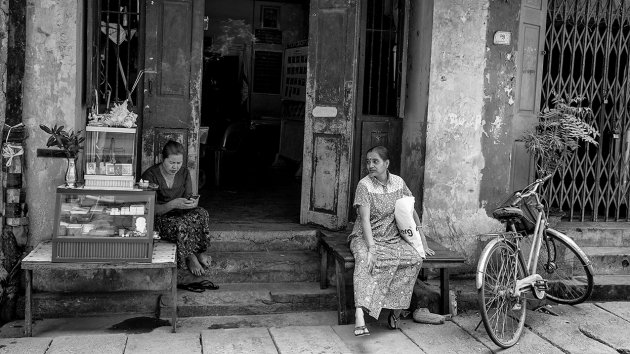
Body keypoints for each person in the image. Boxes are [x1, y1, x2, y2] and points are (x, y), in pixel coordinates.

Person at [349, 145, 435, 337]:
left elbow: (410, 209)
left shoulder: (398, 183)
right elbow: (364, 220)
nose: (370, 165)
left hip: (391, 237)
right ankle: (359, 314)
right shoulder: (364, 185)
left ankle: (394, 313)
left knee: (414, 259)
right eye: (368, 161)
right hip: (365, 236)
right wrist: (371, 248)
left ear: (386, 164)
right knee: (365, 260)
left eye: (375, 161)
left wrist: (422, 241)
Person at [141, 140, 212, 277]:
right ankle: (190, 256)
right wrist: (172, 204)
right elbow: (149, 209)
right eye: (171, 163)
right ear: (163, 159)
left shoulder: (184, 172)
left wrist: (192, 203)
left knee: (202, 213)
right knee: (180, 225)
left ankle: (200, 251)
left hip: (181, 213)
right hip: (162, 218)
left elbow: (189, 197)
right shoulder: (150, 175)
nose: (175, 167)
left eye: (178, 163)